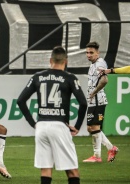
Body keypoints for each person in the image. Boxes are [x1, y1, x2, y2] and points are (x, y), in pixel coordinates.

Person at [17, 46, 87, 184]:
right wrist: (77, 126)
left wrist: (33, 123)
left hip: (41, 126)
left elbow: (20, 100)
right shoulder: (70, 78)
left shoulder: (38, 77)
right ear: (66, 61)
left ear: (50, 60)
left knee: (46, 169)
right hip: (59, 126)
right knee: (72, 170)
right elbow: (83, 103)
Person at [83, 41, 118, 163]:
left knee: (95, 127)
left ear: (97, 53)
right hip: (93, 101)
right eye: (87, 52)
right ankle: (111, 148)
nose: (88, 55)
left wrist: (93, 93)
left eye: (91, 52)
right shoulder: (93, 64)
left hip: (98, 99)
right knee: (90, 128)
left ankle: (97, 156)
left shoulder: (100, 63)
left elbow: (104, 80)